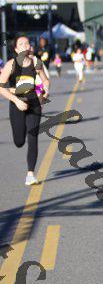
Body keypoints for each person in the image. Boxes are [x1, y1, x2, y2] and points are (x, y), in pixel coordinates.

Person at [0, 33, 50, 185]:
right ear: (16, 49)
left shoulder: (36, 62)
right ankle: (19, 140)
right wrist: (16, 100)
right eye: (21, 44)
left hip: (34, 104)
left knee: (33, 137)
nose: (25, 46)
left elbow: (45, 81)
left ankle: (30, 174)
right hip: (17, 105)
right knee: (19, 141)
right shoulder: (11, 64)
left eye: (27, 43)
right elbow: (1, 87)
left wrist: (44, 92)